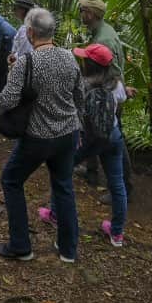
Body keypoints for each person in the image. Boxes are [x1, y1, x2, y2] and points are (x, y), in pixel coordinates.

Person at [0, 8, 85, 263]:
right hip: (68, 133)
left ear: (31, 33)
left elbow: (7, 99)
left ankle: (21, 245)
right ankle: (68, 250)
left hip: (38, 136)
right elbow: (80, 96)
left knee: (11, 180)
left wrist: (13, 73)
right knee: (64, 186)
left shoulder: (26, 62)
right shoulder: (69, 58)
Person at [39, 44, 128, 247]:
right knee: (117, 183)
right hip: (111, 135)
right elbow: (119, 102)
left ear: (89, 64)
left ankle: (56, 215)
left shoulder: (81, 84)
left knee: (61, 173)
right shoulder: (116, 85)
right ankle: (117, 233)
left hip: (88, 139)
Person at [77, 0, 132, 195]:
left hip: (107, 95)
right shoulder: (102, 30)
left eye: (82, 10)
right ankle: (91, 171)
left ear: (90, 14)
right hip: (106, 92)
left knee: (112, 138)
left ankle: (123, 186)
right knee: (93, 130)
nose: (81, 14)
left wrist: (111, 94)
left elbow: (112, 69)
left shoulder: (103, 39)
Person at [8, 0, 36, 65]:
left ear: (22, 10)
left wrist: (17, 63)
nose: (13, 11)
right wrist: (14, 55)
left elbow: (27, 53)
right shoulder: (23, 27)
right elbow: (20, 50)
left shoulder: (27, 29)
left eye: (15, 8)